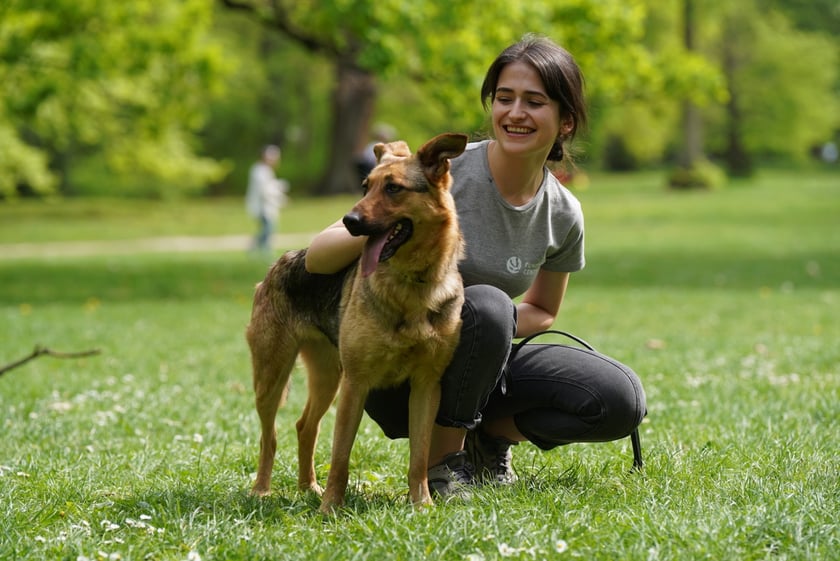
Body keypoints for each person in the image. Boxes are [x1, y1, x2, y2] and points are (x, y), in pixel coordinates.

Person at [304, 35, 646, 497]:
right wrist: (380, 227)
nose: (515, 113)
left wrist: (476, 327)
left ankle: (491, 439)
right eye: (504, 98)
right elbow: (317, 257)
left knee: (618, 400)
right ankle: (445, 466)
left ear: (565, 121)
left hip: (487, 353)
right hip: (402, 360)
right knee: (484, 303)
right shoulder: (439, 173)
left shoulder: (563, 212)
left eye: (534, 101)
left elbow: (544, 311)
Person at [245, 144, 288, 254]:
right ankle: (257, 248)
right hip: (262, 207)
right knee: (267, 229)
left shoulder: (265, 171)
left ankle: (260, 249)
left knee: (268, 229)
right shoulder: (259, 171)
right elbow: (265, 191)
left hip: (266, 207)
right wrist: (281, 199)